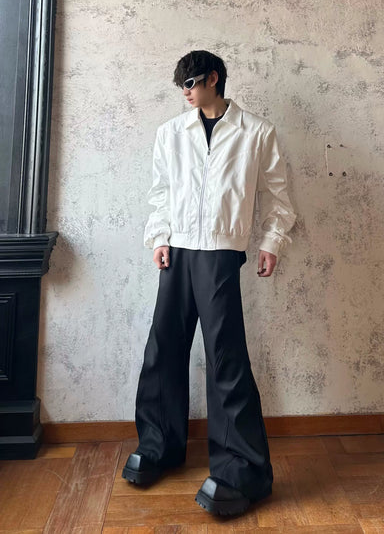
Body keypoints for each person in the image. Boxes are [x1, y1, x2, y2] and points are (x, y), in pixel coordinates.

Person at [122, 50, 297, 516]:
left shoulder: (256, 132)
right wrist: (160, 237)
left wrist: (271, 243)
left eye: (191, 83)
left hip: (221, 253)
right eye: (180, 84)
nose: (184, 92)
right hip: (177, 251)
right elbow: (160, 193)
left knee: (225, 357)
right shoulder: (170, 133)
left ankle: (243, 471)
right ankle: (159, 446)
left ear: (213, 79)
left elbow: (278, 197)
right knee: (163, 349)